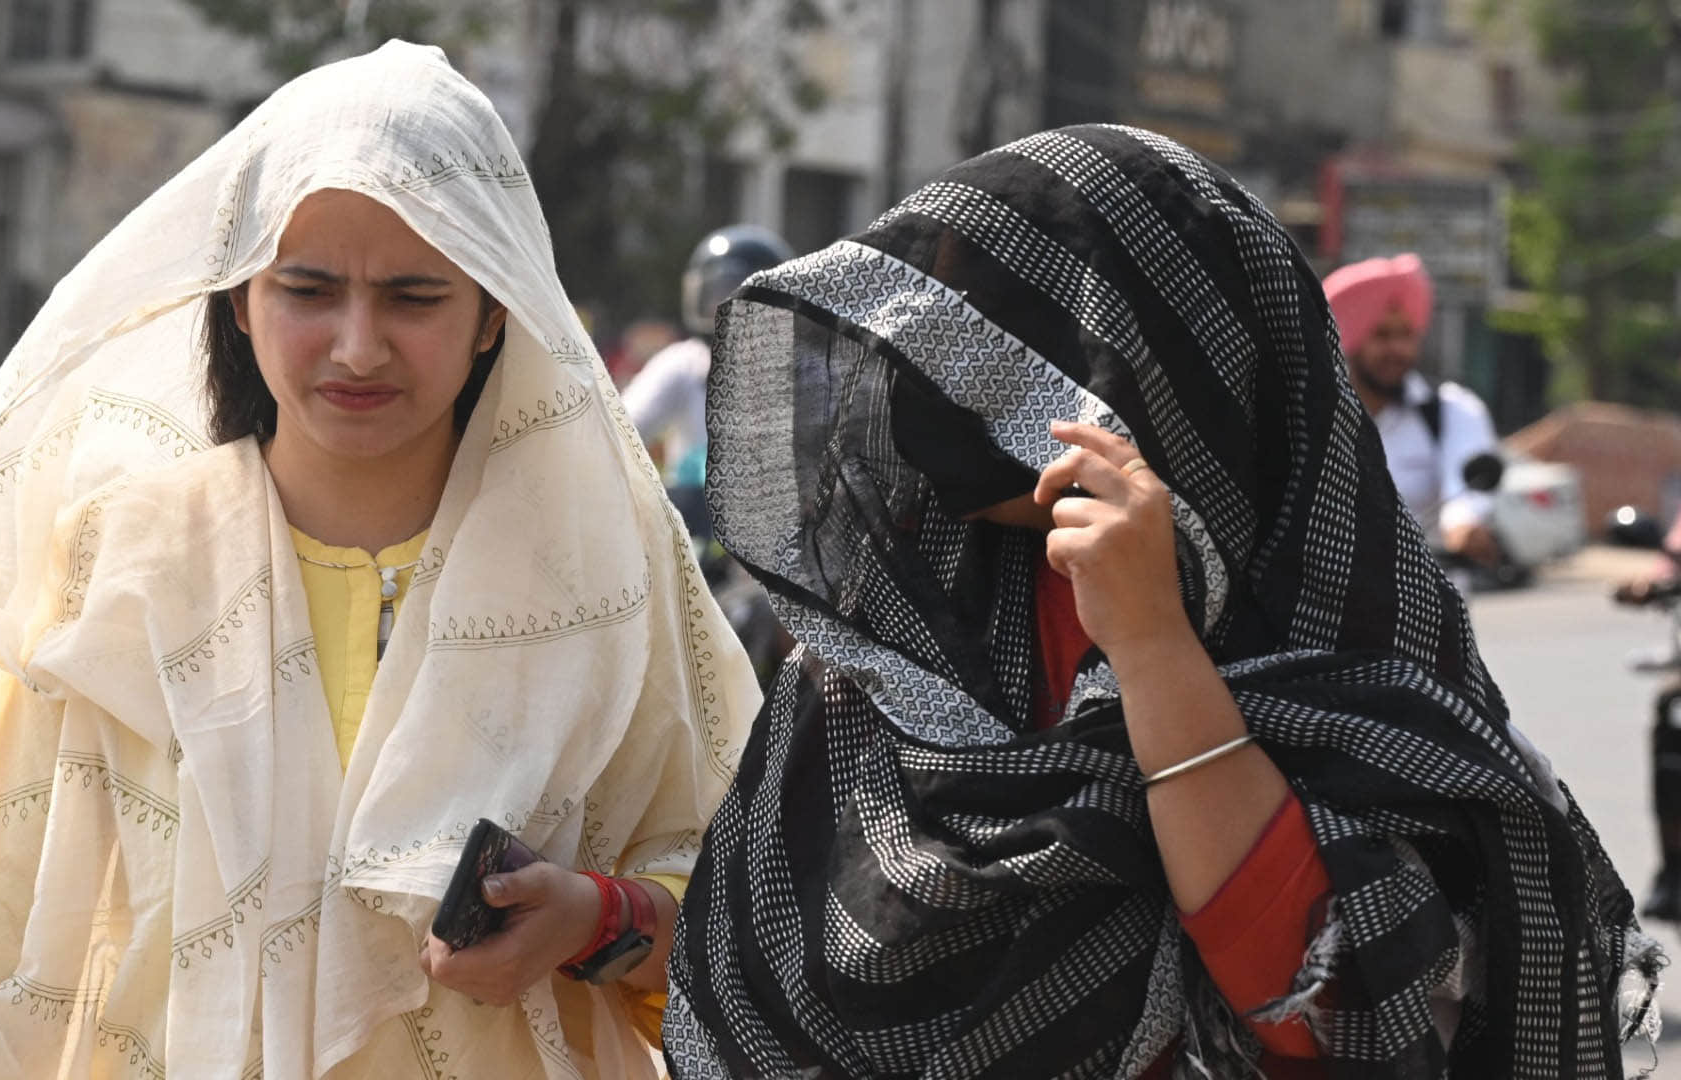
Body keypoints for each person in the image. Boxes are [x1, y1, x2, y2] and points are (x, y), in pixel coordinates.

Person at [0, 42, 758, 1080]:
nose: (357, 346)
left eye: (414, 298)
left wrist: (597, 918)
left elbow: (759, 907)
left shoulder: (605, 576)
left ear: (494, 314)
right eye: (310, 289)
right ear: (239, 299)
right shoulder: (123, 568)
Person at [666, 125, 1657, 1077]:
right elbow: (778, 959)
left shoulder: (1329, 627)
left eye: (1002, 340)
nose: (945, 388)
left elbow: (1330, 998)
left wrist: (1151, 648)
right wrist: (605, 923)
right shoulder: (901, 623)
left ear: (1166, 364)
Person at [1324, 253, 1503, 571]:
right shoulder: (1318, 418)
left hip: (1430, 611)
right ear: (1348, 340)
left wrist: (1461, 527)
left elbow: (1461, 487)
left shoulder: (1452, 411)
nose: (1398, 349)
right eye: (1382, 335)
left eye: (1406, 335)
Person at [621, 224, 792, 489]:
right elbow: (622, 431)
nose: (727, 307)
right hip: (691, 523)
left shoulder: (802, 371)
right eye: (719, 293)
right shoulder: (684, 364)